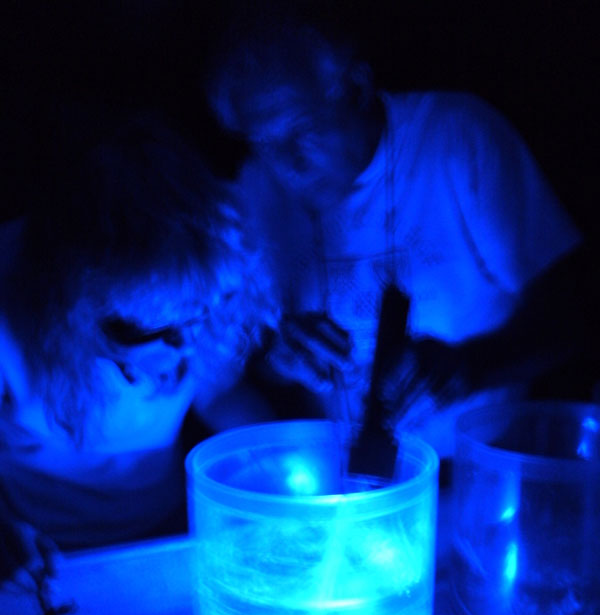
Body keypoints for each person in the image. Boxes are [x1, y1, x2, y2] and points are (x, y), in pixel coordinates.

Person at [206, 20, 588, 461]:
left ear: (357, 87)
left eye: (301, 130)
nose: (288, 164)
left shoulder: (457, 138)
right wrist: (280, 361)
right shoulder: (254, 191)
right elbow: (234, 374)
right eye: (265, 143)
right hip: (342, 484)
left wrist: (471, 367)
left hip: (479, 468)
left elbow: (570, 314)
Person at [0, 112, 274, 580]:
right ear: (76, 306)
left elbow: (219, 391)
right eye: (152, 331)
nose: (185, 346)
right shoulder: (10, 310)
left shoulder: (198, 283)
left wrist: (289, 462)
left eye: (198, 317)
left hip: (171, 533)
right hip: (42, 557)